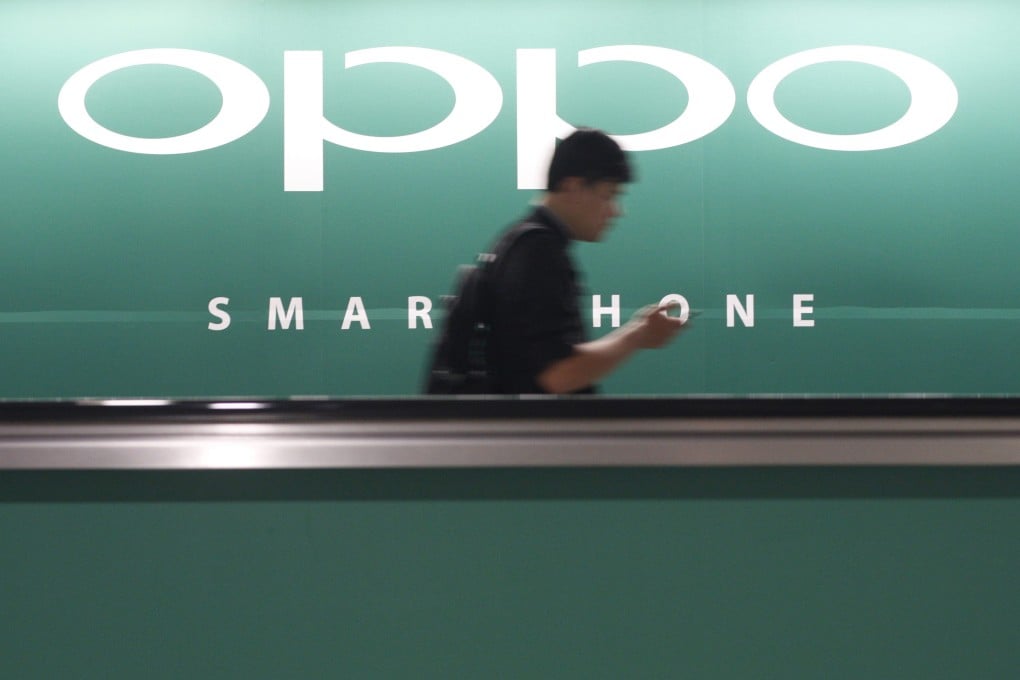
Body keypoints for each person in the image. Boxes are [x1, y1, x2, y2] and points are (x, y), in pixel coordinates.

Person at [481, 127, 688, 394]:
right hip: (529, 433)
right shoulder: (539, 250)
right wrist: (638, 336)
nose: (616, 211)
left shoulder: (523, 242)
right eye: (609, 195)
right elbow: (557, 374)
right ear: (574, 187)